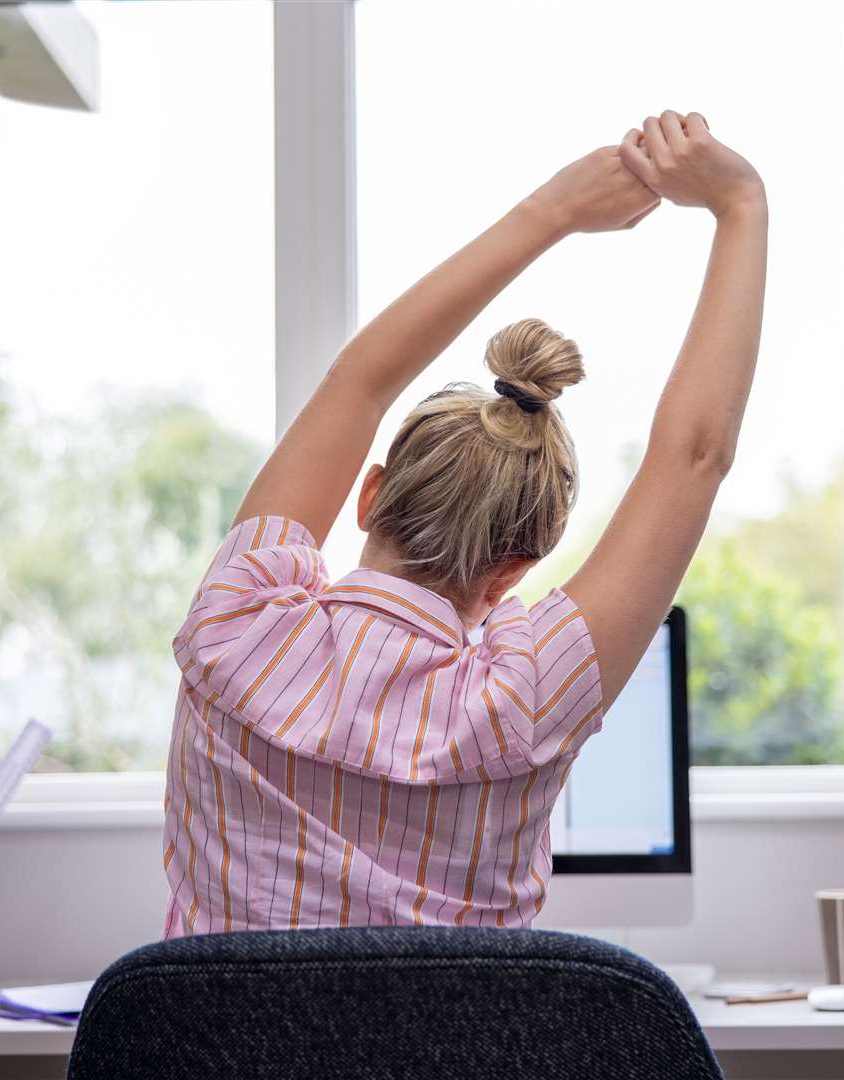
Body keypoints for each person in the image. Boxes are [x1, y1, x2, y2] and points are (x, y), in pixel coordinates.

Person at [163, 110, 767, 936]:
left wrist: (552, 211)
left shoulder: (237, 619)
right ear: (515, 568)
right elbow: (693, 458)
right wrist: (741, 206)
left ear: (368, 494)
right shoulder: (523, 696)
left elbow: (358, 385)